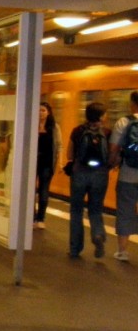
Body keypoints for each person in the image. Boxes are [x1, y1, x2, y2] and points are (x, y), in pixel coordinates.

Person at [66, 102, 110, 259]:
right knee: (96, 209)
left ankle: (75, 249)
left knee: (76, 211)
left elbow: (69, 154)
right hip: (100, 175)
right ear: (100, 116)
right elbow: (111, 157)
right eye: (105, 113)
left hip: (79, 174)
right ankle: (97, 234)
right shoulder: (107, 132)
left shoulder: (77, 131)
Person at [108, 90, 138, 262]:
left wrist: (112, 164)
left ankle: (122, 251)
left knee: (125, 211)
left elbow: (113, 149)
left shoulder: (124, 122)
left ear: (132, 103)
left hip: (128, 174)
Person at [34, 101, 62, 229]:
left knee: (43, 190)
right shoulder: (31, 125)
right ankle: (32, 216)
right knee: (30, 192)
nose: (40, 113)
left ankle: (41, 218)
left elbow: (59, 146)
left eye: (43, 110)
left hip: (47, 163)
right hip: (32, 164)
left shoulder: (54, 127)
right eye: (39, 110)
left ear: (48, 112)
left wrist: (60, 162)